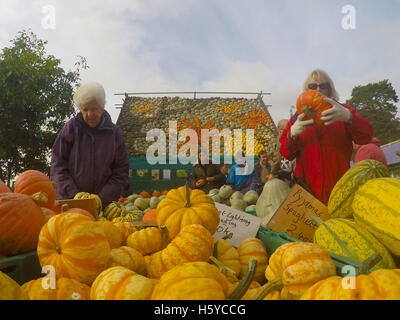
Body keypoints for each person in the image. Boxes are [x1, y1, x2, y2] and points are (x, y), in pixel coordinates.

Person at [279, 69, 374, 203]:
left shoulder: (342, 110)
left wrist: (349, 117)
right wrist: (292, 135)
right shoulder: (297, 118)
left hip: (340, 188)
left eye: (323, 86)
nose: (318, 89)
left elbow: (366, 136)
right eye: (313, 86)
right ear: (306, 90)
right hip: (307, 192)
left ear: (329, 89)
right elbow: (286, 153)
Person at [50, 82, 130, 209]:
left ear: (102, 107)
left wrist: (102, 199)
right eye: (85, 110)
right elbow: (57, 163)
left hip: (104, 206)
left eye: (93, 109)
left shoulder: (114, 133)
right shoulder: (71, 128)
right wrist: (74, 196)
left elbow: (121, 171)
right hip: (70, 204)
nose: (89, 114)